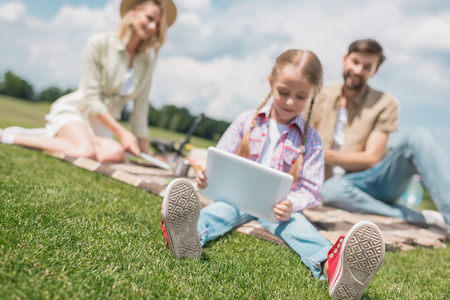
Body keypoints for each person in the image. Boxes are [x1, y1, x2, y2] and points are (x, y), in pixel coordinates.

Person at [161, 49, 385, 300]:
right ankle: (186, 236)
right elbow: (218, 161)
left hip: (278, 209)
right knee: (219, 211)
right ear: (271, 83)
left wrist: (292, 204)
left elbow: (312, 189)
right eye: (283, 92)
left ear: (314, 94)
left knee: (300, 229)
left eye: (300, 96)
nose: (290, 102)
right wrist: (205, 177)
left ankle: (332, 267)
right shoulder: (246, 120)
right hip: (235, 198)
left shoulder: (311, 139)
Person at [303, 38, 450, 234]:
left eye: (367, 67)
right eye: (355, 62)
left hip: (371, 181)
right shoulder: (317, 96)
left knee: (420, 136)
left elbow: (371, 158)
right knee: (332, 190)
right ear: (345, 59)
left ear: (375, 71)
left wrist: (319, 153)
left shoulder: (385, 103)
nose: (358, 71)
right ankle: (414, 218)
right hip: (335, 189)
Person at [0, 0, 177, 162]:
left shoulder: (146, 64)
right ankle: (10, 137)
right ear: (135, 11)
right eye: (149, 18)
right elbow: (92, 99)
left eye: (158, 24)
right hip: (76, 111)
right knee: (85, 152)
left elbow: (140, 110)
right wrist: (122, 132)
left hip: (102, 126)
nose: (152, 26)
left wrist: (146, 155)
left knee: (115, 153)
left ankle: (58, 141)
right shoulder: (99, 43)